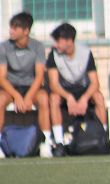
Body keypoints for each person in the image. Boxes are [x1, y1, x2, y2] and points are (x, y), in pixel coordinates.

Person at [47, 23, 107, 155]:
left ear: (69, 41)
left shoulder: (85, 53)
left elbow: (95, 83)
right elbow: (53, 84)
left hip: (83, 90)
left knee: (99, 97)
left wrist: (84, 99)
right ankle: (59, 143)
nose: (55, 44)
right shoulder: (53, 55)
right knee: (53, 98)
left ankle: (103, 138)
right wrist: (69, 98)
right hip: (64, 91)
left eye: (58, 40)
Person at [0, 12, 53, 158]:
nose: (11, 31)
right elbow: (2, 78)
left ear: (26, 30)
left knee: (43, 98)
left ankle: (45, 143)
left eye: (16, 28)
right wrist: (17, 96)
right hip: (11, 89)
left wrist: (28, 97)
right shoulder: (3, 47)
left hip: (32, 88)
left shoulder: (38, 46)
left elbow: (39, 76)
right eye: (11, 27)